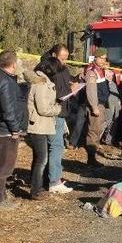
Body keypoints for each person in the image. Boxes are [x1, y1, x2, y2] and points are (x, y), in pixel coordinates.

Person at [0, 50, 26, 210]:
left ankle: (1, 197)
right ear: (14, 64)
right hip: (4, 130)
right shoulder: (4, 81)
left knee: (3, 166)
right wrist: (15, 129)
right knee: (4, 168)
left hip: (0, 128)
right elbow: (8, 109)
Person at [26, 57, 62, 200]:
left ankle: (37, 186)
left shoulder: (41, 81)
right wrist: (57, 108)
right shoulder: (40, 84)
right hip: (38, 125)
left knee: (38, 158)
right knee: (41, 159)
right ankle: (35, 190)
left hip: (41, 125)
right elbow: (43, 108)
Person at [45, 44, 77, 192]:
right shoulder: (50, 69)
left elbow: (65, 81)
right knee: (56, 146)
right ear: (53, 55)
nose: (64, 62)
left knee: (57, 146)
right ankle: (54, 181)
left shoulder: (62, 68)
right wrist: (70, 90)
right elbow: (57, 92)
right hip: (56, 112)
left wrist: (75, 81)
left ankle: (55, 177)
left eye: (66, 59)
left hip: (62, 111)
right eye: (62, 58)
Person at [84, 47, 110, 166]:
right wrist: (94, 107)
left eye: (105, 58)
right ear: (96, 57)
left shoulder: (100, 70)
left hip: (101, 103)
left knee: (97, 130)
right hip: (96, 104)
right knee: (93, 131)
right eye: (101, 58)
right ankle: (91, 158)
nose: (103, 61)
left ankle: (93, 155)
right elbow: (91, 91)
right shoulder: (92, 71)